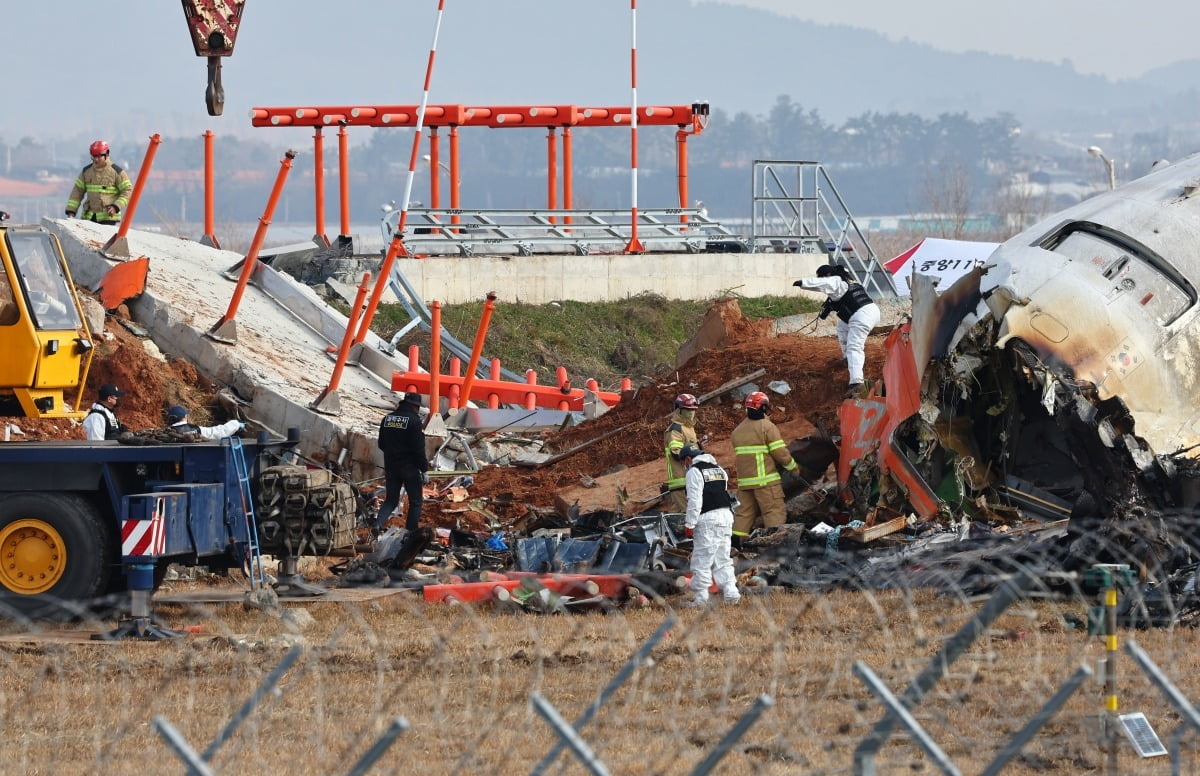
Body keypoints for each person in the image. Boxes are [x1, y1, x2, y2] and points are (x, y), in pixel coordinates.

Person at [793, 264, 881, 397]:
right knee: (842, 326)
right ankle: (847, 358)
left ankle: (857, 382)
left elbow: (823, 283)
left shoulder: (835, 280)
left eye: (822, 276)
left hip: (862, 315)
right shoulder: (846, 280)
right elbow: (838, 298)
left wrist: (802, 283)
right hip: (868, 311)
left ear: (827, 275)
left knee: (854, 346)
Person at [731, 391, 799, 541]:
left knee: (743, 515)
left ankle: (735, 547)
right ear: (763, 407)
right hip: (766, 484)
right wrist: (793, 468)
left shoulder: (737, 431)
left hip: (745, 484)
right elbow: (780, 453)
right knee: (774, 512)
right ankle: (773, 551)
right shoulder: (767, 427)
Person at [679, 444, 740, 608]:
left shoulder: (694, 471)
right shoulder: (718, 469)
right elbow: (725, 492)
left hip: (707, 519)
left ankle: (701, 599)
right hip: (726, 516)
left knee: (701, 561)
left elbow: (695, 500)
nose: (684, 466)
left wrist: (690, 523)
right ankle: (731, 593)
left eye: (684, 463)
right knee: (723, 558)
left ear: (688, 459)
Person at [376, 392, 430, 533]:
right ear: (414, 406)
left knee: (391, 500)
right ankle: (409, 533)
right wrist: (424, 469)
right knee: (416, 501)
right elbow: (418, 448)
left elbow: (381, 444)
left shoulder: (387, 418)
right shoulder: (414, 421)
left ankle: (377, 525)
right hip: (409, 468)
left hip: (391, 466)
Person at [65, 140, 133, 225]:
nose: (96, 159)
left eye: (98, 156)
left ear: (106, 154)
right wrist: (71, 211)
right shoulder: (86, 172)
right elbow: (77, 192)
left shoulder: (116, 172)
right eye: (93, 156)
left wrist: (116, 207)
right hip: (89, 217)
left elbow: (128, 190)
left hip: (108, 217)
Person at [663, 392, 700, 512]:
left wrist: (698, 447)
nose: (691, 413)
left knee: (681, 514)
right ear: (679, 410)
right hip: (681, 481)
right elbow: (676, 453)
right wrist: (696, 450)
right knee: (686, 514)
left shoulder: (689, 428)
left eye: (693, 410)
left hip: (691, 479)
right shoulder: (675, 429)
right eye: (687, 410)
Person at [165, 405, 245, 441]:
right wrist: (236, 424)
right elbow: (218, 432)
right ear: (184, 417)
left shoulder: (166, 433)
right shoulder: (196, 429)